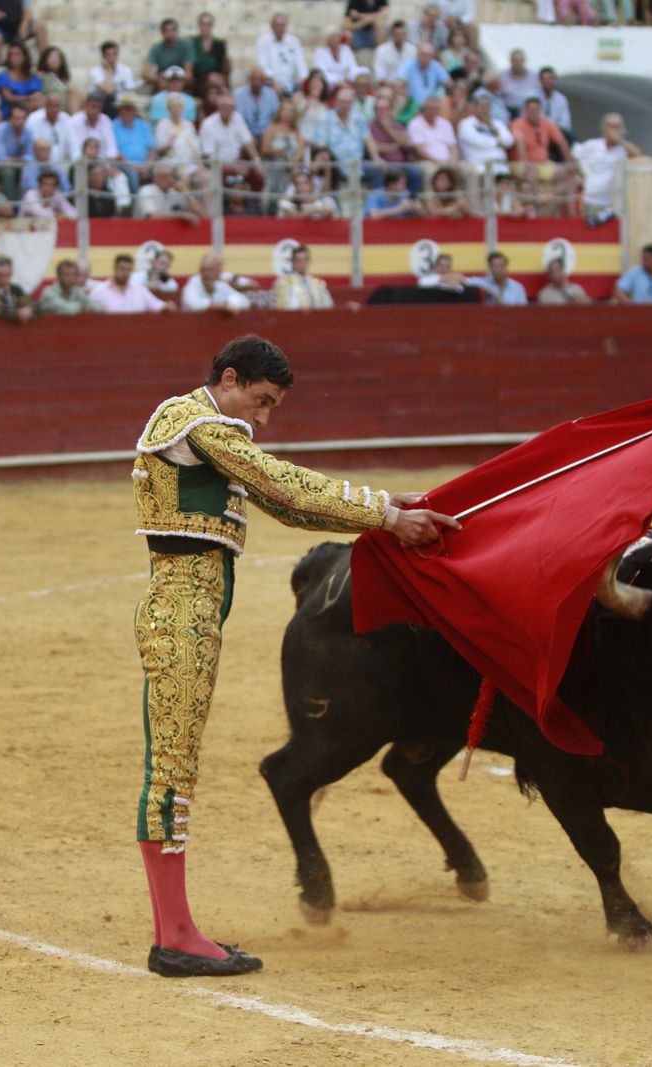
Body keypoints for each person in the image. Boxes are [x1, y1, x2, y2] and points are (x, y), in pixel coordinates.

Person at [129, 334, 455, 977]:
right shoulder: (191, 420)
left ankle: (176, 929)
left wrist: (388, 509)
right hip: (180, 613)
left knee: (175, 765)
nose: (262, 417)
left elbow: (283, 504)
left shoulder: (211, 432)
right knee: (171, 768)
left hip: (195, 609)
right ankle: (174, 935)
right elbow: (282, 481)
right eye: (260, 400)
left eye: (272, 406)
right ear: (227, 379)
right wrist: (385, 516)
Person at [572, 112, 641, 221]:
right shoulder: (593, 145)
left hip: (611, 205)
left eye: (616, 126)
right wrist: (581, 175)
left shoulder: (623, 150)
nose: (612, 129)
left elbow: (637, 155)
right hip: (590, 201)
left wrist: (619, 139)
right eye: (609, 126)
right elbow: (574, 155)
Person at [90, 254, 169, 314]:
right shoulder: (99, 291)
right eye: (122, 268)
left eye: (129, 269)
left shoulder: (140, 289)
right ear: (114, 269)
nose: (125, 272)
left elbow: (157, 305)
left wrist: (167, 306)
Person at [255, 13, 308, 95]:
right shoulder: (263, 42)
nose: (280, 28)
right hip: (270, 84)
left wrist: (302, 81)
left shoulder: (294, 41)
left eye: (283, 25)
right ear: (272, 26)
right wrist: (273, 82)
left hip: (292, 85)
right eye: (278, 25)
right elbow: (262, 66)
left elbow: (300, 64)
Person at [273, 243, 334, 309]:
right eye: (299, 260)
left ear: (309, 261)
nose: (303, 263)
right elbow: (284, 309)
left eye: (306, 259)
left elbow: (328, 307)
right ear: (293, 262)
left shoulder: (319, 284)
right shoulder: (284, 283)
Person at [182, 253, 249, 313]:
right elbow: (194, 305)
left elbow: (245, 301)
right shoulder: (193, 284)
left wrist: (231, 303)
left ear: (218, 272)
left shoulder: (221, 285)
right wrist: (222, 307)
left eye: (210, 270)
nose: (207, 274)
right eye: (203, 270)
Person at [38, 259, 104, 315]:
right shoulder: (49, 292)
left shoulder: (76, 291)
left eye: (73, 274)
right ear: (58, 276)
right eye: (66, 274)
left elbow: (100, 307)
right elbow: (69, 310)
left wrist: (89, 307)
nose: (70, 278)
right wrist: (83, 307)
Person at [145, 18, 196, 87]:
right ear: (162, 32)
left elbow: (188, 73)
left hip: (181, 80)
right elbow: (146, 73)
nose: (170, 33)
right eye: (167, 30)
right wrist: (159, 78)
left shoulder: (186, 46)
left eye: (173, 30)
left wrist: (174, 79)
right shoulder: (157, 48)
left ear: (177, 31)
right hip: (163, 80)